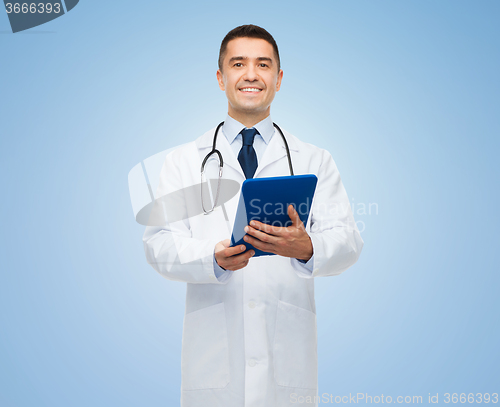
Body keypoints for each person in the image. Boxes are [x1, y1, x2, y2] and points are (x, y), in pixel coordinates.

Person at [143, 24, 364, 407]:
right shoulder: (183, 161)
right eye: (238, 63)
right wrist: (209, 258)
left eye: (263, 65)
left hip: (286, 366)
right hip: (212, 365)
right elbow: (158, 244)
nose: (250, 74)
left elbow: (348, 242)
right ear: (220, 77)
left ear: (278, 79)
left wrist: (308, 247)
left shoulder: (314, 159)